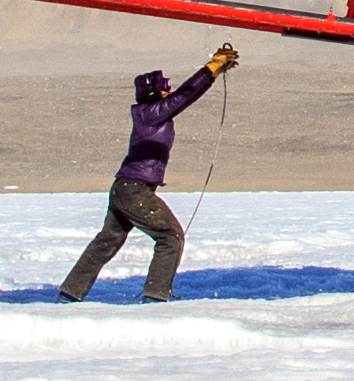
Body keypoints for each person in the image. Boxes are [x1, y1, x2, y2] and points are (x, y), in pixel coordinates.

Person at [57, 44, 239, 303]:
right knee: (170, 236)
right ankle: (156, 295)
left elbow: (179, 98)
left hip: (123, 188)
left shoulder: (149, 114)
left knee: (107, 240)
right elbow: (185, 97)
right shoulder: (152, 113)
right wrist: (210, 70)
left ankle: (69, 293)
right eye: (164, 85)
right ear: (154, 92)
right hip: (135, 189)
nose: (169, 89)